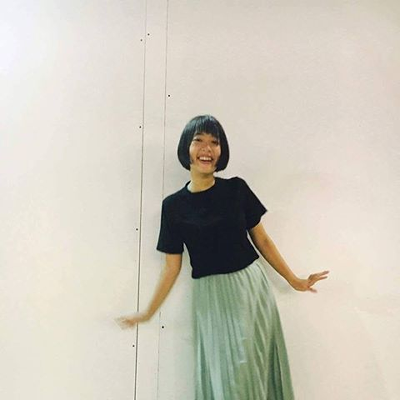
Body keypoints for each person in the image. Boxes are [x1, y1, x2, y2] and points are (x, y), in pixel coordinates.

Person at [116, 114, 329, 399]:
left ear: (221, 151)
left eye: (214, 142)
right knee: (226, 378)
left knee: (249, 371)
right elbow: (171, 267)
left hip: (249, 290)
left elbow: (262, 240)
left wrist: (294, 280)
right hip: (210, 298)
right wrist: (148, 313)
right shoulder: (173, 206)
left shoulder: (236, 189)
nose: (207, 149)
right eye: (199, 141)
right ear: (187, 148)